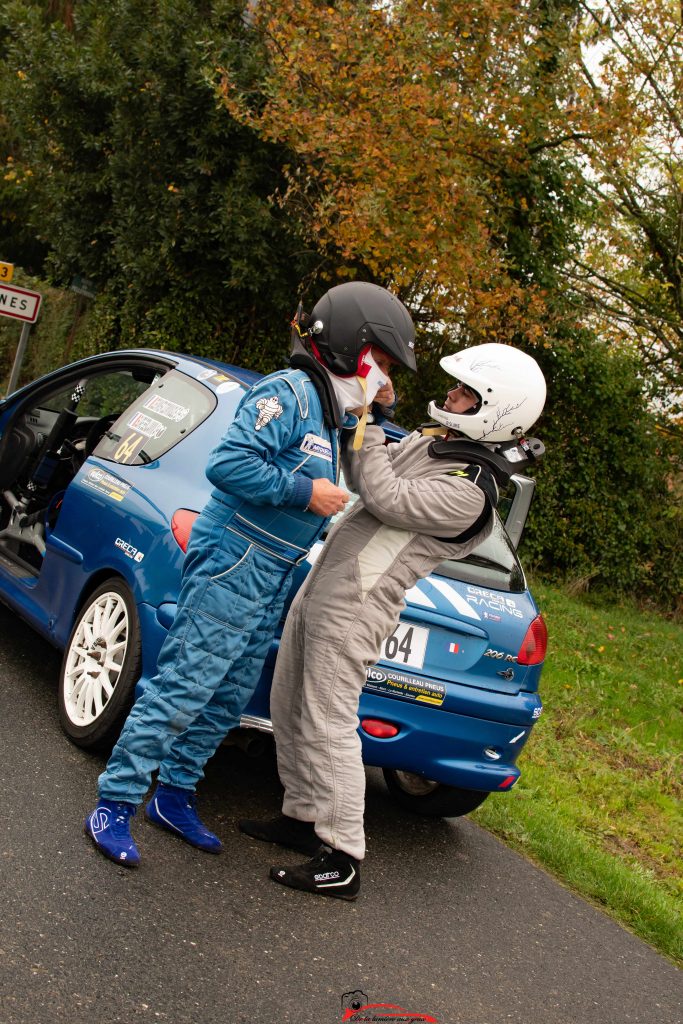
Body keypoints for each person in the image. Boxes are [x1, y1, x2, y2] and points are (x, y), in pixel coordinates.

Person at [84, 282, 417, 867]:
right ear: (352, 345)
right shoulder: (289, 392)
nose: (384, 374)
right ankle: (115, 802)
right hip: (237, 553)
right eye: (382, 362)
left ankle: (175, 794)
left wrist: (379, 408)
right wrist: (300, 490)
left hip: (277, 568)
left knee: (230, 692)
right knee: (186, 685)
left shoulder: (339, 410)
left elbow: (370, 463)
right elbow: (228, 464)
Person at [240, 342, 547, 900]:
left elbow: (384, 496)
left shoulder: (470, 491)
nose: (451, 395)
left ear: (493, 409)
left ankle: (343, 855)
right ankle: (302, 816)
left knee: (330, 719)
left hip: (358, 604)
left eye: (464, 392)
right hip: (326, 585)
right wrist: (375, 413)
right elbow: (363, 468)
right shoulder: (439, 448)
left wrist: (368, 418)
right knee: (290, 701)